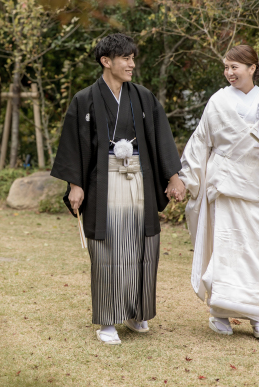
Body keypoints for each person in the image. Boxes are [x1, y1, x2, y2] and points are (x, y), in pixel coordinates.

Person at [51, 33, 185, 345]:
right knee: (107, 248)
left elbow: (162, 136)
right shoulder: (84, 99)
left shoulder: (142, 96)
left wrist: (173, 176)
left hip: (139, 178)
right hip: (103, 181)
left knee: (142, 245)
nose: (131, 64)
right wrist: (75, 185)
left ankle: (138, 313)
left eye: (132, 58)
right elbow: (73, 145)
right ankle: (109, 320)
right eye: (125, 58)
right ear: (106, 61)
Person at [178, 44, 259, 339]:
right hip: (226, 184)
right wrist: (186, 180)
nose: (229, 73)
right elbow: (200, 142)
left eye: (235, 67)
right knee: (227, 250)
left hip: (258, 186)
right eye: (226, 67)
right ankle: (220, 313)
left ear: (252, 68)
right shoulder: (218, 101)